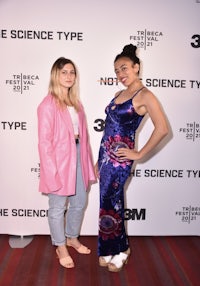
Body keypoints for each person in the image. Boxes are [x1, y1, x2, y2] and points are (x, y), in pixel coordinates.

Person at [95, 44, 169, 272]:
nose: (121, 74)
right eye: (117, 70)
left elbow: (163, 128)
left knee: (111, 201)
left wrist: (138, 153)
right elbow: (109, 128)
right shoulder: (119, 94)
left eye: (125, 68)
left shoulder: (145, 95)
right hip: (107, 157)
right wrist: (100, 159)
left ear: (137, 67)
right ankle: (110, 247)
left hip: (120, 161)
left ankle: (121, 248)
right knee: (107, 202)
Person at [37, 57, 96, 269]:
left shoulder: (76, 103)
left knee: (79, 201)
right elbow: (44, 142)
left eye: (72, 72)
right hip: (60, 159)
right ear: (56, 75)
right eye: (64, 72)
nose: (69, 76)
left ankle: (71, 237)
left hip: (79, 153)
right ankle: (60, 246)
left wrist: (88, 163)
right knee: (57, 206)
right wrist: (51, 171)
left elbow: (85, 136)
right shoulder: (47, 104)